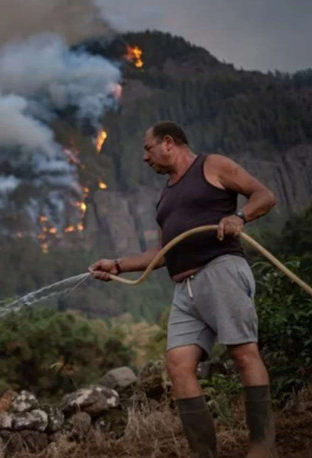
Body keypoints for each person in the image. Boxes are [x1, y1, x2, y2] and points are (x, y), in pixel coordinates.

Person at [90, 121, 278, 458]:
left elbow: (265, 195)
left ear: (168, 143)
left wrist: (240, 216)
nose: (145, 158)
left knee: (242, 352)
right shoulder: (165, 196)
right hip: (185, 288)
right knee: (178, 364)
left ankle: (263, 446)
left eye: (147, 149)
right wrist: (116, 264)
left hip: (221, 270)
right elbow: (159, 255)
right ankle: (203, 453)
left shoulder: (212, 165)